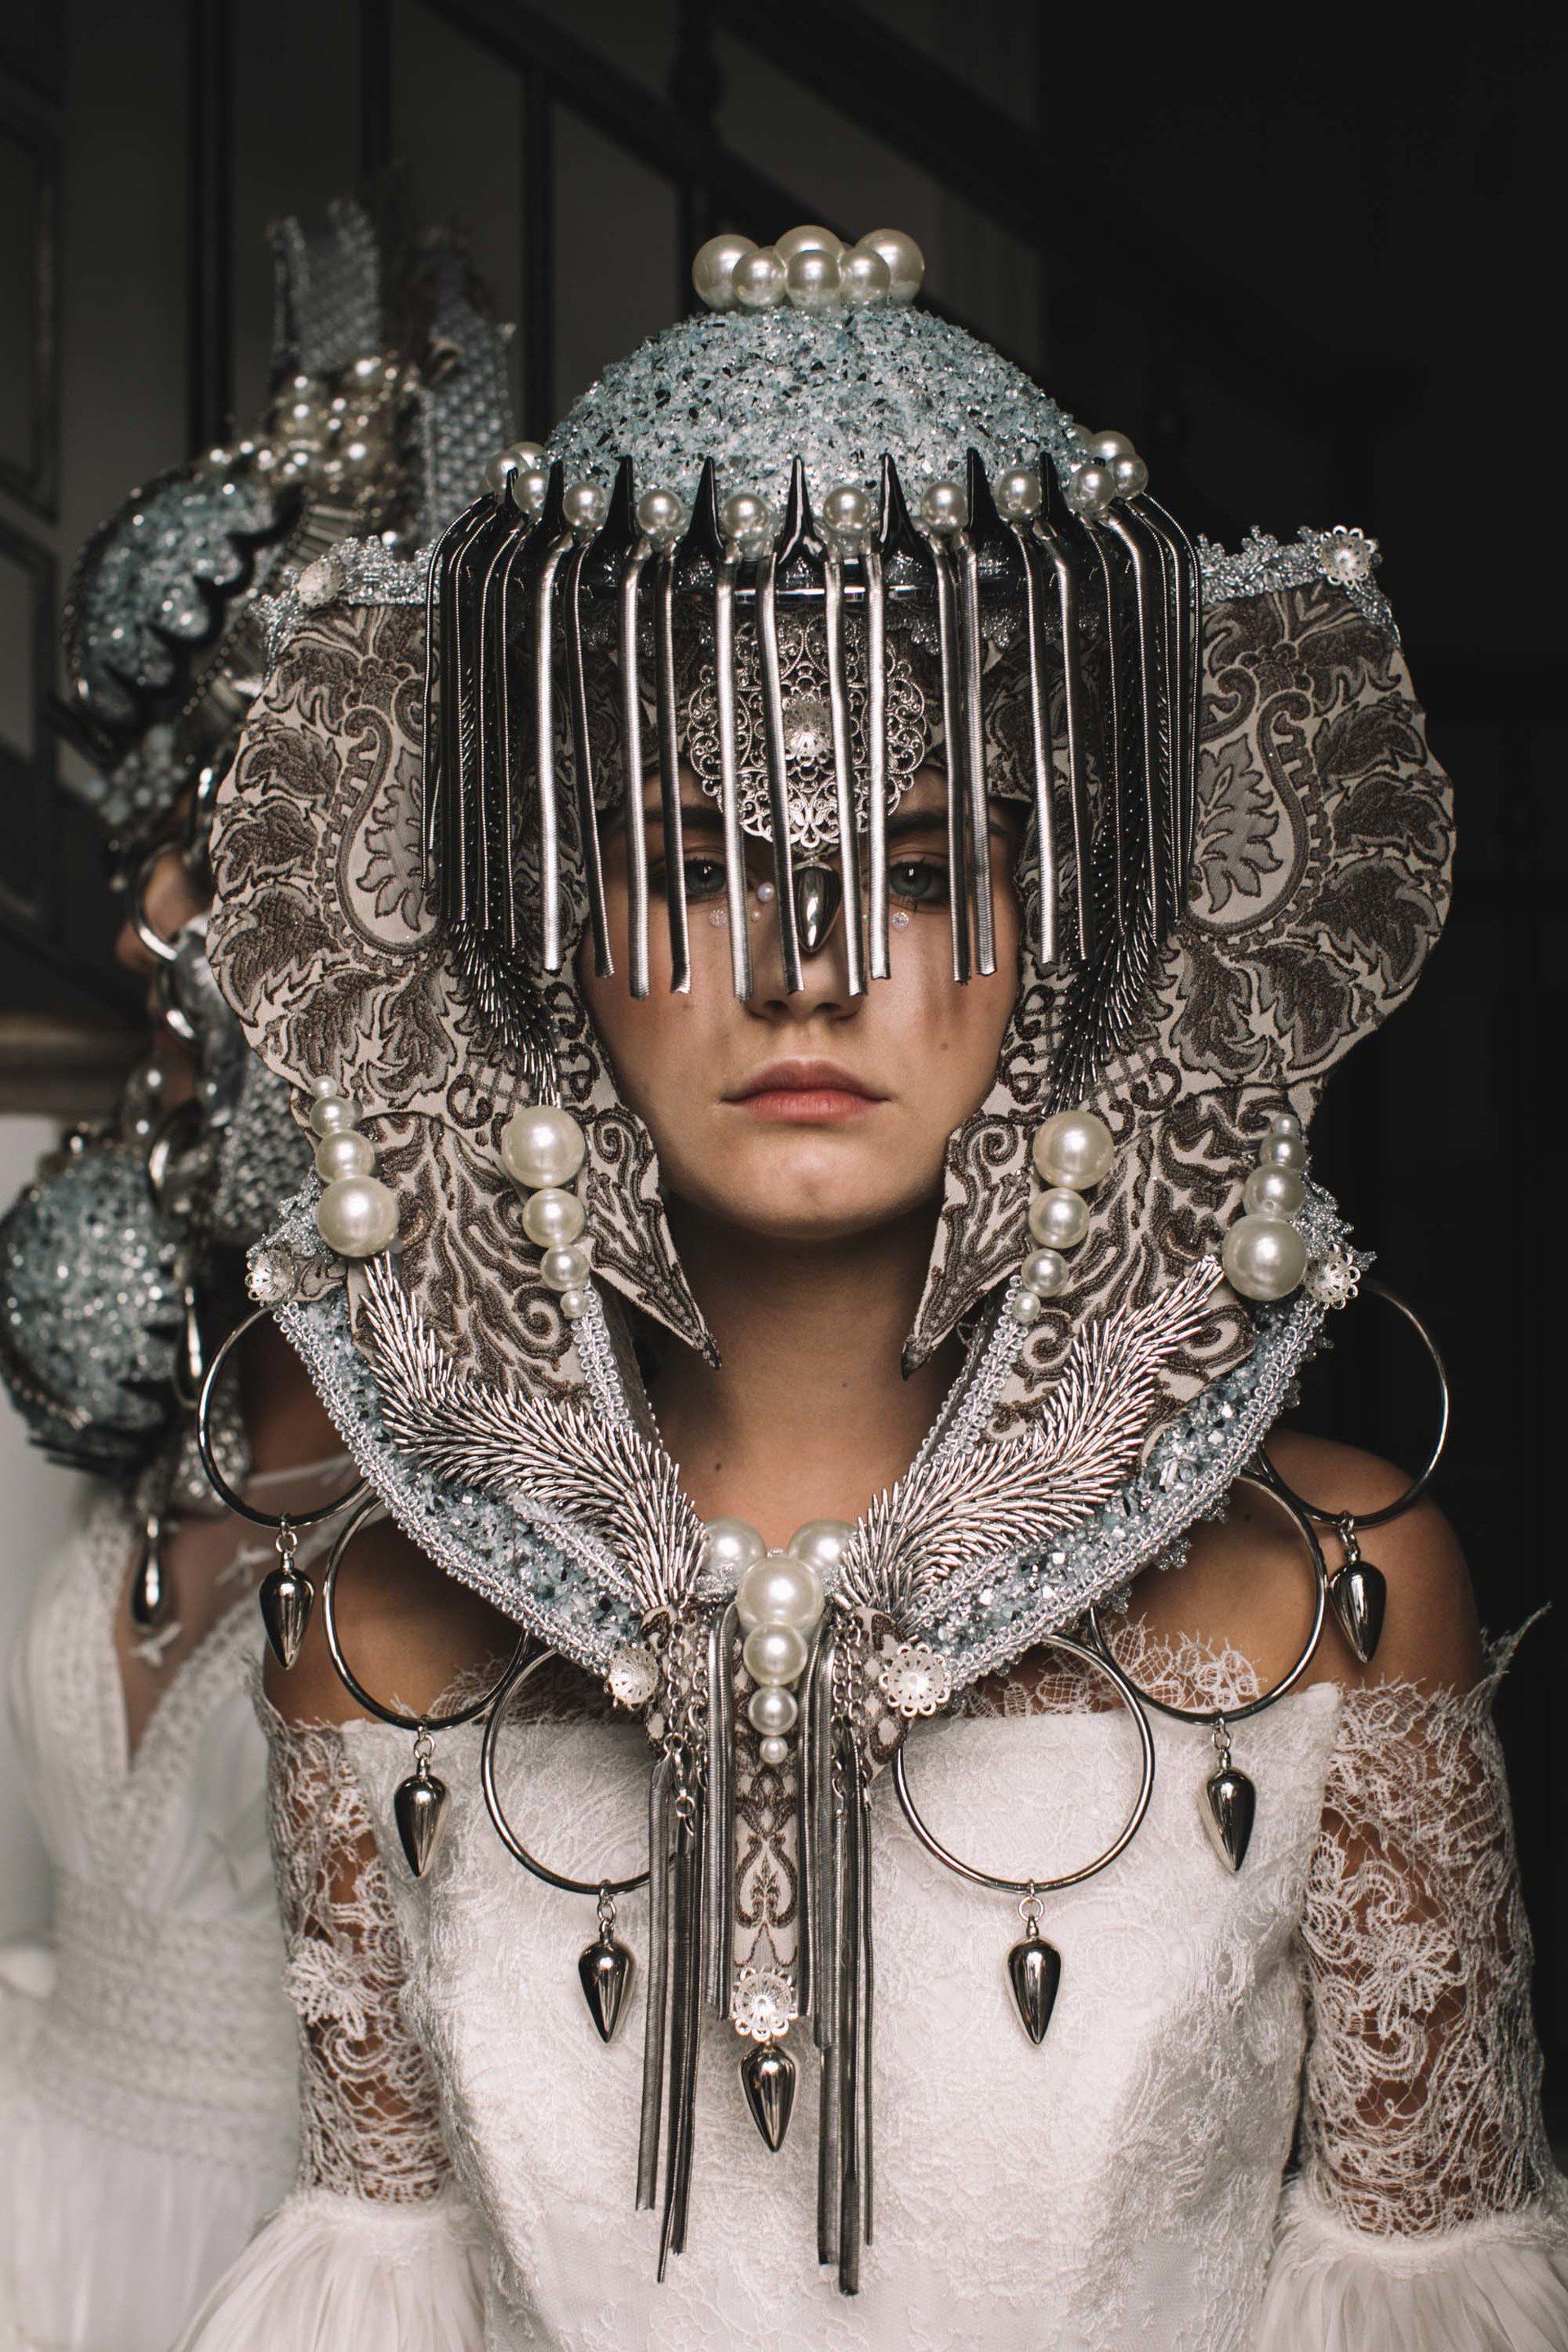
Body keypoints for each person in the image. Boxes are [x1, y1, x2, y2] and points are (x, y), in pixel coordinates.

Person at [175, 224, 1568, 2350]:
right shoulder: (371, 1635)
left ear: (1070, 927)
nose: (805, 968)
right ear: (545, 929)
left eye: (916, 871)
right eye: (694, 860)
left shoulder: (1335, 1596)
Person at [0, 198, 516, 2351]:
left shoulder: (538, 1410)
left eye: (222, 863)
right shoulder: (168, 1333)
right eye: (152, 859)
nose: (152, 929)